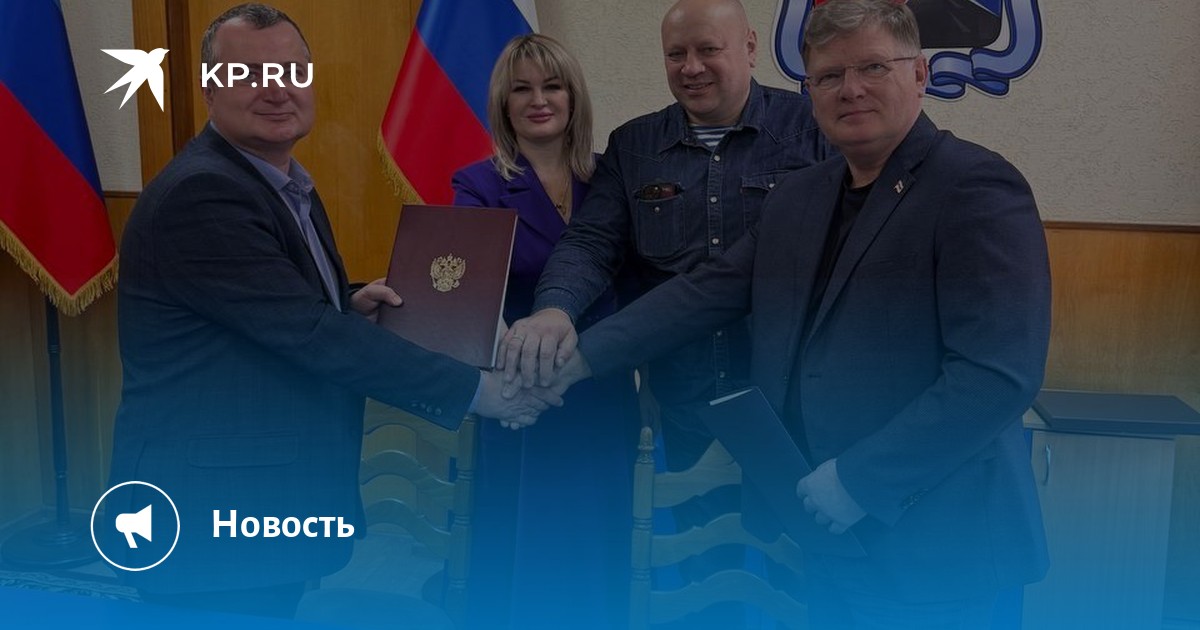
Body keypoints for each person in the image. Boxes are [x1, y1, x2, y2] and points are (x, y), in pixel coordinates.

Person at [547, 0, 1052, 627]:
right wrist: (578, 358)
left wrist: (862, 480)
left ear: (920, 73)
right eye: (829, 75)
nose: (851, 89)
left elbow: (997, 375)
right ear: (809, 90)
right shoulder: (801, 195)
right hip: (823, 538)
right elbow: (708, 291)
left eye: (873, 67)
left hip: (938, 550)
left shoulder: (976, 187)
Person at [109, 3, 557, 619]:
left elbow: (272, 313)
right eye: (249, 74)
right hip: (211, 514)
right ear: (210, 88)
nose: (277, 90)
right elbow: (310, 335)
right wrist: (480, 392)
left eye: (293, 71)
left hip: (254, 498)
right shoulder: (203, 193)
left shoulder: (279, 181)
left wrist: (347, 305)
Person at [498, 0, 831, 610]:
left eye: (708, 50)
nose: (691, 67)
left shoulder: (813, 130)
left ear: (749, 47)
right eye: (676, 54)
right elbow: (591, 242)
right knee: (697, 577)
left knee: (802, 575)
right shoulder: (635, 146)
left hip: (790, 401)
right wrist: (555, 310)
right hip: (684, 404)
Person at [450, 34, 639, 629]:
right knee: (524, 554)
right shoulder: (477, 185)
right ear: (503, 104)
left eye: (552, 86)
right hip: (520, 400)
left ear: (573, 97)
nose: (539, 100)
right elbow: (468, 291)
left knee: (601, 546)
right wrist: (520, 374)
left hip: (600, 392)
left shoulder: (613, 179)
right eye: (522, 89)